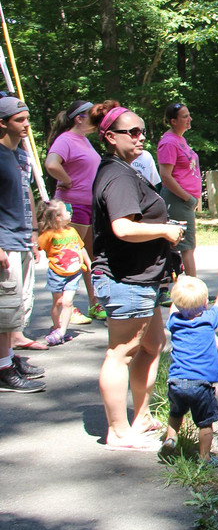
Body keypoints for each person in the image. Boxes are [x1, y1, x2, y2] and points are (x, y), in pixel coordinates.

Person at [91, 103, 185, 449]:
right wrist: (165, 230)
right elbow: (123, 227)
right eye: (132, 132)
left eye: (142, 131)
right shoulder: (117, 176)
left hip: (143, 277)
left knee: (152, 344)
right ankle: (117, 431)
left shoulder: (125, 169)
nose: (140, 136)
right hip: (125, 278)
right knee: (121, 352)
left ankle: (141, 416)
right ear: (110, 137)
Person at [158, 266, 218, 467]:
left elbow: (174, 307)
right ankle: (204, 458)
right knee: (205, 423)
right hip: (200, 385)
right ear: (204, 303)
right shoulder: (209, 320)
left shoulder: (174, 321)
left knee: (176, 413)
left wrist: (178, 286)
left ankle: (171, 438)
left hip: (176, 381)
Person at [0, 97, 46, 392]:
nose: (27, 124)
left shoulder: (17, 155)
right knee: (4, 308)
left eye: (27, 118)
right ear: (2, 123)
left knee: (14, 307)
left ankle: (8, 357)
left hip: (21, 238)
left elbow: (24, 196)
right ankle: (3, 369)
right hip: (4, 240)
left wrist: (34, 233)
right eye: (20, 120)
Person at [45, 99, 105, 322]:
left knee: (90, 256)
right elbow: (51, 164)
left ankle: (94, 303)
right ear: (79, 118)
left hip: (88, 205)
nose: (97, 119)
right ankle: (65, 307)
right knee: (69, 257)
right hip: (73, 206)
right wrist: (67, 180)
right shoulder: (66, 139)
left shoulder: (84, 140)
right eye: (92, 115)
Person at [37, 199, 93, 346]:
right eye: (66, 211)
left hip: (73, 273)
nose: (70, 213)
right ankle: (56, 327)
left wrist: (89, 263)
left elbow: (81, 247)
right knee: (58, 302)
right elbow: (38, 246)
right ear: (57, 217)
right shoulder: (49, 234)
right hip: (57, 273)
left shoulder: (72, 231)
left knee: (67, 302)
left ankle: (62, 331)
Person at [158, 102, 201, 278]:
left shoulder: (180, 139)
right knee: (186, 247)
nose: (189, 119)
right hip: (177, 200)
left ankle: (185, 286)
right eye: (184, 116)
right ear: (173, 121)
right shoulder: (169, 142)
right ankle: (193, 290)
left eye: (189, 115)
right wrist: (187, 198)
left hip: (185, 201)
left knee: (186, 246)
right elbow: (165, 176)